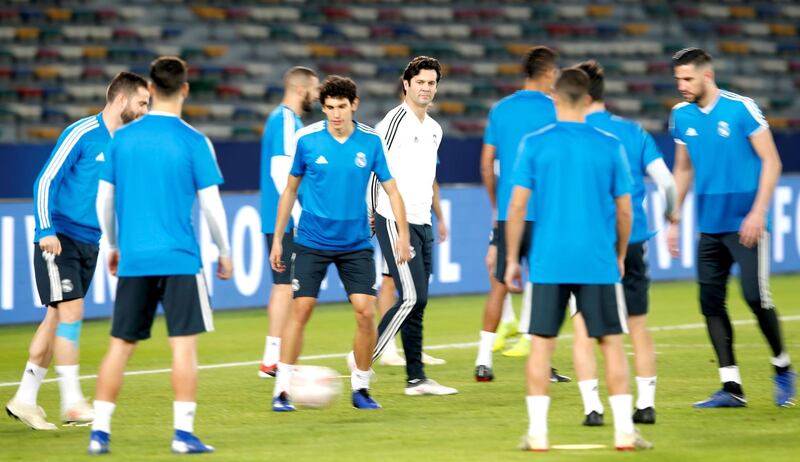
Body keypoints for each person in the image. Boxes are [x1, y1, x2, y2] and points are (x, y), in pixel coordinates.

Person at [89, 56, 232, 455]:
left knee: (120, 345)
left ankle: (99, 432)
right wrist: (225, 251)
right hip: (180, 258)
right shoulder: (194, 141)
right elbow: (212, 207)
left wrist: (114, 246)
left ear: (150, 90)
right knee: (183, 347)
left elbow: (104, 199)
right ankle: (183, 435)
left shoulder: (122, 139)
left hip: (135, 257)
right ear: (185, 89)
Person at [506, 68, 652, 451]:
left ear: (554, 98)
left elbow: (518, 205)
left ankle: (537, 434)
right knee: (611, 344)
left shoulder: (534, 144)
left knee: (541, 345)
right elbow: (625, 211)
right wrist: (620, 252)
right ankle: (624, 432)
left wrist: (510, 260)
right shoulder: (609, 144)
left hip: (548, 261)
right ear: (588, 100)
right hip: (597, 260)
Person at [5, 72, 149, 431]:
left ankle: (25, 398)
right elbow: (46, 179)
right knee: (71, 313)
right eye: (142, 102)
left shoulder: (127, 143)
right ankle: (71, 403)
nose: (146, 109)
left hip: (91, 244)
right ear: (121, 100)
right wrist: (44, 230)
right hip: (61, 239)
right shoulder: (83, 132)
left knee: (55, 320)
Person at [269, 75, 411, 412]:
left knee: (365, 313)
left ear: (354, 105)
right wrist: (278, 239)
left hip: (356, 243)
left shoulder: (371, 142)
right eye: (329, 107)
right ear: (323, 107)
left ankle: (361, 387)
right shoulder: (307, 140)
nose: (335, 114)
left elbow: (392, 189)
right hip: (311, 240)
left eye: (341, 107)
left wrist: (403, 233)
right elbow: (289, 190)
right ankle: (282, 390)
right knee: (301, 309)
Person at [668, 47, 795, 408]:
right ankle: (731, 387)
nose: (682, 85)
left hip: (746, 223)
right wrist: (673, 217)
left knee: (756, 298)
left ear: (707, 76)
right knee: (710, 303)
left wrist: (758, 212)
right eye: (678, 79)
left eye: (688, 78)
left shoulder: (741, 108)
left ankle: (783, 367)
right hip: (709, 224)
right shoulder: (680, 115)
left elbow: (771, 161)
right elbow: (683, 169)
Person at [571, 60, 677, 426]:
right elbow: (666, 183)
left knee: (585, 327)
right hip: (631, 239)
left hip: (589, 243)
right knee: (638, 325)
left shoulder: (572, 132)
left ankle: (593, 408)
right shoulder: (633, 132)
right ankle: (645, 404)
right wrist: (672, 216)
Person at [473, 45, 569, 384]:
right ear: (547, 73)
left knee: (498, 286)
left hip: (509, 214)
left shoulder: (501, 109)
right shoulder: (557, 108)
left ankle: (483, 361)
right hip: (545, 214)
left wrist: (496, 204)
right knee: (545, 289)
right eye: (555, 73)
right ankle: (543, 365)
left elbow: (486, 164)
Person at [368, 56, 456, 395]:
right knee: (410, 297)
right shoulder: (393, 122)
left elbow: (428, 178)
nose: (426, 88)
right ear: (406, 84)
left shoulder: (434, 129)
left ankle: (416, 379)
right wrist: (372, 212)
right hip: (394, 219)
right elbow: (376, 170)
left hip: (423, 221)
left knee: (419, 302)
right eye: (420, 81)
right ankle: (363, 356)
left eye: (432, 83)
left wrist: (437, 216)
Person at [257, 66, 320, 378]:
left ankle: (273, 358)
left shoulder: (288, 121)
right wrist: (298, 218)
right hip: (286, 221)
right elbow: (281, 173)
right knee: (287, 289)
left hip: (280, 219)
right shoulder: (284, 120)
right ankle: (273, 359)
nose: (318, 94)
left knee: (283, 287)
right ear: (301, 89)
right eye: (315, 89)